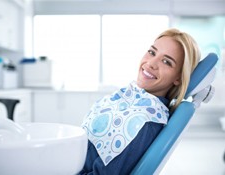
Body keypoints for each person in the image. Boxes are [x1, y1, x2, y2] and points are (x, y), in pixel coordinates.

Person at [79, 28, 200, 175]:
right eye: (152, 52)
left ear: (179, 78)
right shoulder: (130, 97)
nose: (151, 64)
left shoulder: (144, 122)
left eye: (166, 62)